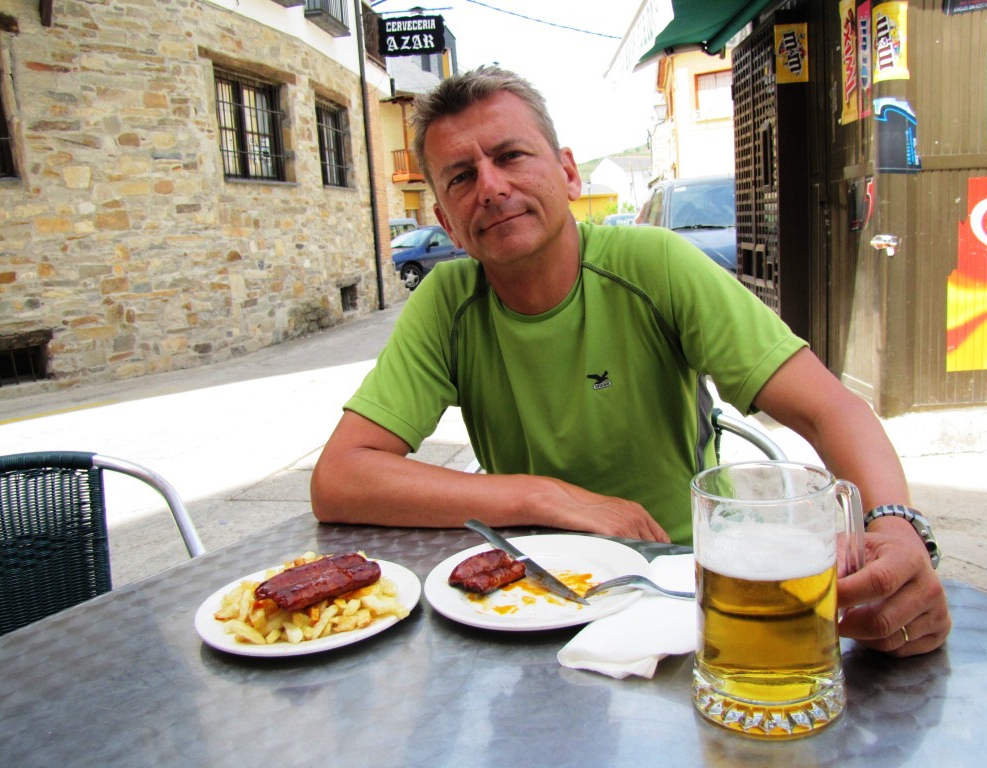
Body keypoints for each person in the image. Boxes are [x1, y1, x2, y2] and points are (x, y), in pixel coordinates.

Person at [311, 66, 950, 657]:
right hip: (528, 597)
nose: (492, 187)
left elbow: (829, 408)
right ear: (447, 223)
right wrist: (545, 497)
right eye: (460, 177)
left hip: (683, 584)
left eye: (510, 156)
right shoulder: (446, 303)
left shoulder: (655, 264)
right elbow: (340, 478)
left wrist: (896, 528)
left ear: (568, 173)